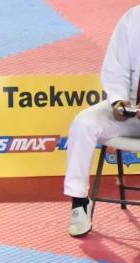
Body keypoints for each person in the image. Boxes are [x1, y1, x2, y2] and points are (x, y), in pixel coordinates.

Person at [64, 4, 140, 237]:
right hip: (132, 110)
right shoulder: (133, 18)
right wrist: (118, 101)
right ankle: (79, 203)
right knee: (84, 124)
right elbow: (116, 68)